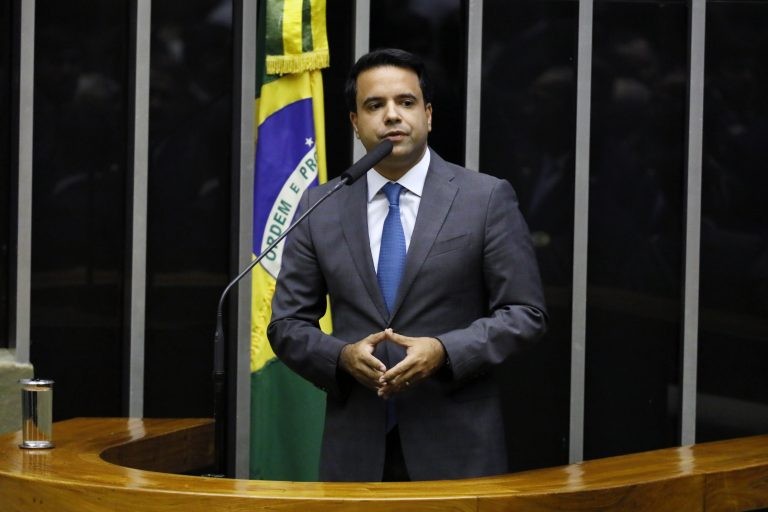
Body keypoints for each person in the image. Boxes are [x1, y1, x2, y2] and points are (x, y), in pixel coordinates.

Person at [267, 48, 547, 482]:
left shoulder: (485, 198)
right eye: (375, 106)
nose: (392, 115)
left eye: (406, 102)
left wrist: (444, 351)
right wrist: (341, 356)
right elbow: (286, 324)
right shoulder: (319, 205)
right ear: (355, 123)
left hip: (457, 446)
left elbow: (526, 313)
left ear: (429, 115)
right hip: (355, 451)